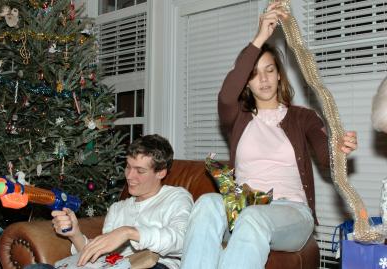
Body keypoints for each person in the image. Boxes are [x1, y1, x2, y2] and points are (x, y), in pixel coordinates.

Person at [180, 2, 357, 269]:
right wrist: (261, 36)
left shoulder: (303, 117)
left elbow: (325, 154)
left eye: (269, 70)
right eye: (254, 74)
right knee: (207, 203)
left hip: (291, 213)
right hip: (242, 208)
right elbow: (226, 95)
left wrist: (338, 148)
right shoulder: (237, 118)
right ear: (246, 83)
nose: (263, 79)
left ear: (279, 76)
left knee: (254, 218)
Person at [50, 134, 193, 269]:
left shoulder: (176, 197)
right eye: (128, 166)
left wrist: (128, 232)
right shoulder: (118, 208)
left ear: (161, 172)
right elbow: (101, 258)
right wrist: (75, 234)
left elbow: (183, 240)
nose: (129, 176)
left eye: (140, 171)